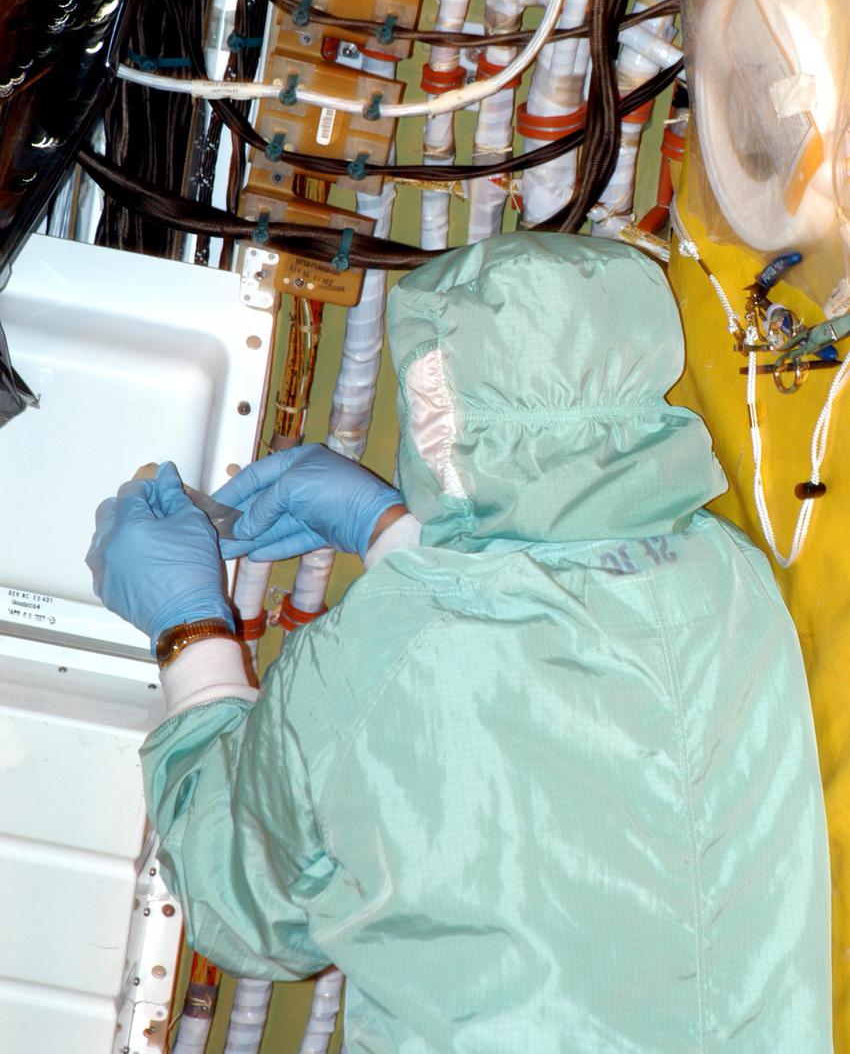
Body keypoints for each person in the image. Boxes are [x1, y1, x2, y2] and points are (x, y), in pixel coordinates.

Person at [87, 232, 833, 1053]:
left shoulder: (383, 650)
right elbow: (540, 632)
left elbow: (243, 905)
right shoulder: (727, 577)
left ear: (437, 415)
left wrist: (189, 630)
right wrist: (393, 532)